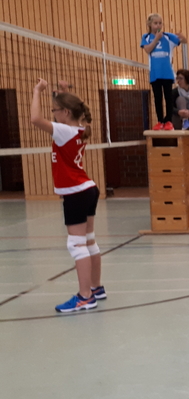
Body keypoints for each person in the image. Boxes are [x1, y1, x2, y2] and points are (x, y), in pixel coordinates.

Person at [29, 79, 105, 313]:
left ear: (66, 112)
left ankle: (85, 297)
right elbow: (70, 109)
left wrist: (37, 91)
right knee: (89, 241)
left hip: (76, 192)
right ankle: (96, 288)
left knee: (76, 245)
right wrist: (63, 92)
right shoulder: (79, 128)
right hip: (87, 189)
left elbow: (35, 119)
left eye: (55, 110)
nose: (52, 114)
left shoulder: (64, 131)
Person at [140, 13, 186, 130]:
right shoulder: (146, 37)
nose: (158, 25)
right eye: (156, 23)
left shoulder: (168, 36)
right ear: (150, 24)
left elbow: (184, 41)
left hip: (167, 73)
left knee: (168, 98)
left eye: (160, 23)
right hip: (155, 73)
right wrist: (156, 38)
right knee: (157, 98)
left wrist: (183, 37)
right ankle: (160, 121)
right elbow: (147, 50)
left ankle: (168, 121)